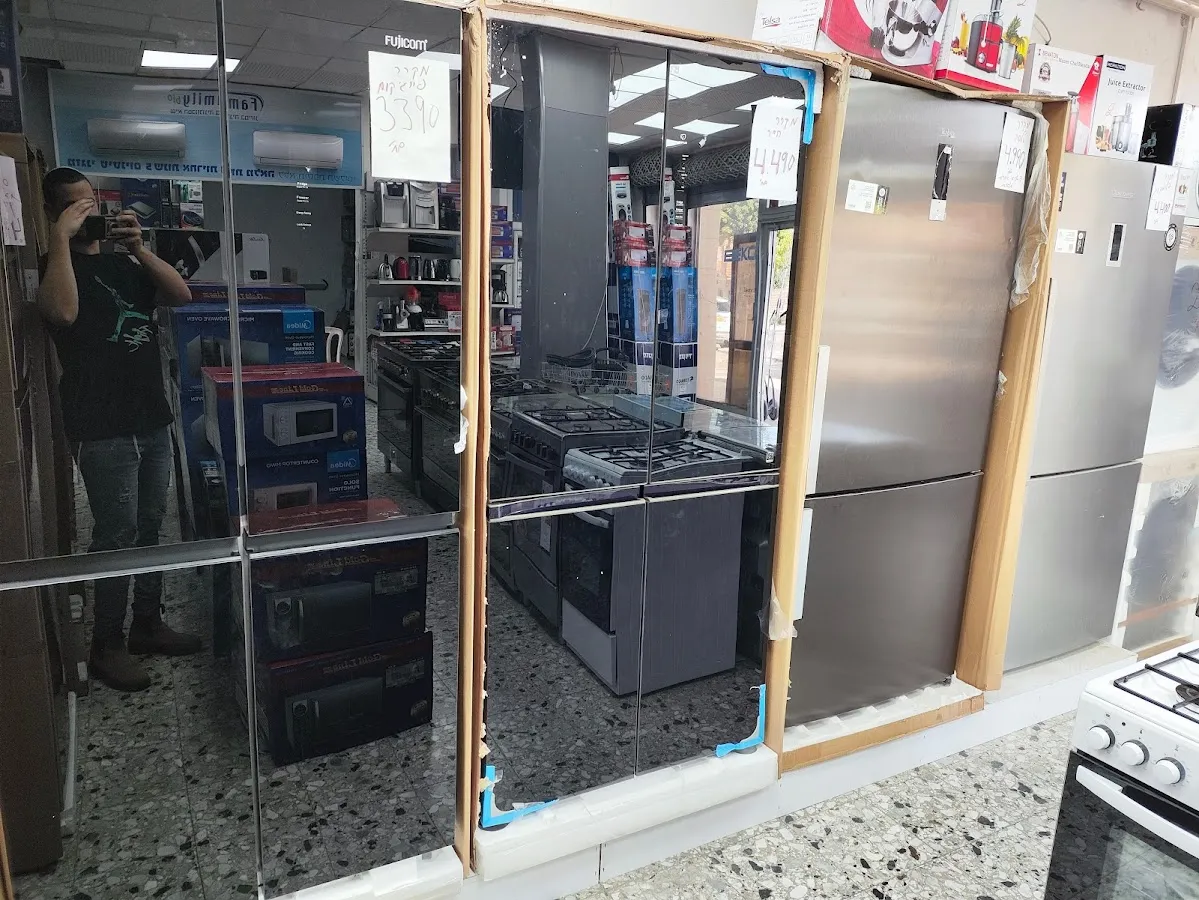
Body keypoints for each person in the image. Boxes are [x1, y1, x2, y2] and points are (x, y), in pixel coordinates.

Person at [37, 167, 199, 692]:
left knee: (151, 527)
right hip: (102, 425)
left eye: (92, 202)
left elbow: (181, 295)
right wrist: (60, 239)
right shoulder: (54, 267)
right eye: (75, 205)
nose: (88, 213)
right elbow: (62, 313)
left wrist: (139, 249)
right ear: (54, 212)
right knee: (116, 535)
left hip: (150, 415)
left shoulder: (123, 263)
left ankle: (147, 623)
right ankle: (106, 643)